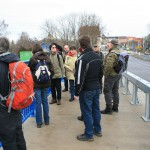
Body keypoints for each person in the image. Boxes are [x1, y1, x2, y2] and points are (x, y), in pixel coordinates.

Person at [75, 35, 103, 141]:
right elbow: (101, 74)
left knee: (86, 111)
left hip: (86, 90)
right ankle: (98, 130)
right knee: (96, 110)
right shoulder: (98, 56)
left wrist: (77, 92)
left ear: (81, 45)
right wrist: (100, 86)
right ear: (90, 43)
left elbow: (79, 77)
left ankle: (89, 134)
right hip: (96, 88)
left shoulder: (82, 58)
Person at [0, 37, 27, 149]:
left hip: (3, 107)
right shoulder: (16, 61)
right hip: (16, 103)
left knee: (8, 139)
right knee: (18, 134)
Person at [28, 43, 54, 128]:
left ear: (34, 50)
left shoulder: (33, 59)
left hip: (37, 85)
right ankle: (47, 121)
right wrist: (47, 78)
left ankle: (39, 123)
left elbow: (29, 72)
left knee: (38, 103)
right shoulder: (47, 57)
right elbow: (52, 70)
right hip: (46, 84)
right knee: (45, 101)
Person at [100, 40, 121, 114]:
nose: (107, 46)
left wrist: (105, 74)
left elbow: (109, 66)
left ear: (112, 45)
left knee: (107, 91)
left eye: (108, 45)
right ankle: (115, 107)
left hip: (111, 75)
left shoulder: (112, 54)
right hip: (118, 74)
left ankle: (108, 109)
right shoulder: (119, 52)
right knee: (115, 91)